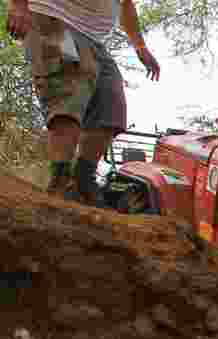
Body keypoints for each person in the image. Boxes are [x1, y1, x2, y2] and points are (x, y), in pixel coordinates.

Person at [6, 0, 161, 205]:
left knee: (111, 105)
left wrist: (140, 46)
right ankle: (60, 180)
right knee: (68, 94)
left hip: (95, 41)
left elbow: (126, 4)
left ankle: (83, 179)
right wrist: (19, 6)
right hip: (53, 20)